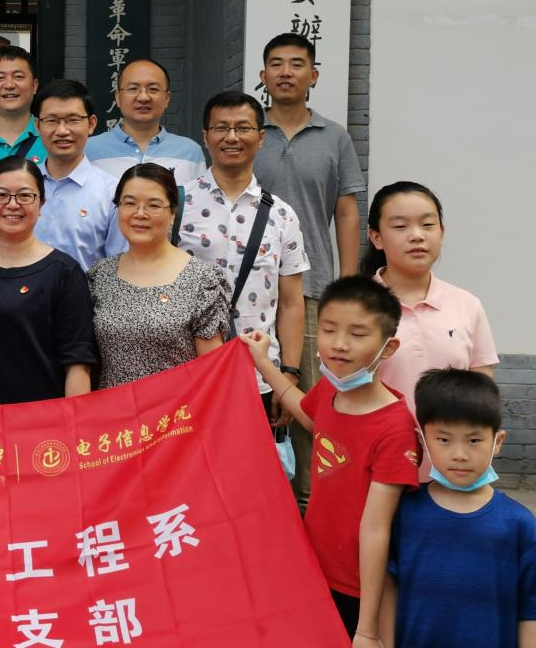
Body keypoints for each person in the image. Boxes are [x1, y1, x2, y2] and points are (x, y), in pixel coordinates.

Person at [242, 276, 419, 648]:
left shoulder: (394, 428)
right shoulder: (331, 389)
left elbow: (376, 529)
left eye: (357, 334)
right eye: (328, 329)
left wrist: (367, 630)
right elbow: (310, 418)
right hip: (313, 567)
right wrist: (263, 362)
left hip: (357, 587)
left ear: (388, 347)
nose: (339, 344)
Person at [254, 32, 367, 507]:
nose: (286, 72)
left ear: (313, 75)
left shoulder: (334, 137)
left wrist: (348, 282)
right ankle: (259, 506)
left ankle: (310, 503)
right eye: (276, 64)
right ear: (262, 76)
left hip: (313, 286)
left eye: (297, 64)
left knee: (309, 399)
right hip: (252, 289)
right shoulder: (247, 132)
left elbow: (346, 210)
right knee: (252, 398)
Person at [381, 369, 536, 648]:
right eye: (444, 439)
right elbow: (387, 587)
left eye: (474, 440)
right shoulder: (404, 512)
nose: (459, 454)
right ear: (422, 440)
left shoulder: (519, 525)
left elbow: (532, 613)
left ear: (498, 442)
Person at [178, 91, 308, 426]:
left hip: (260, 374)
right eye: (221, 128)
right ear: (206, 137)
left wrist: (289, 373)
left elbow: (292, 302)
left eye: (243, 128)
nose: (232, 137)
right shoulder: (177, 206)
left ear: (260, 138)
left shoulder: (282, 215)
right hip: (185, 374)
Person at [0, 156, 96, 403]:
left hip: (38, 416)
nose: (12, 204)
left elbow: (78, 362)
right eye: (0, 195)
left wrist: (74, 420)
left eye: (25, 195)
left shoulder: (63, 271)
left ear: (41, 204)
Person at [87, 163, 229, 388]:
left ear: (173, 213)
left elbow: (213, 371)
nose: (139, 214)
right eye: (129, 203)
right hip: (113, 408)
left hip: (178, 408)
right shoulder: (99, 275)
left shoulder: (203, 279)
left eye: (153, 205)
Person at [364, 181, 498, 415]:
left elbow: (482, 385)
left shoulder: (467, 305)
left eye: (427, 225)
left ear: (441, 232)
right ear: (376, 237)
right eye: (400, 226)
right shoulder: (354, 306)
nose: (417, 236)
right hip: (376, 437)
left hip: (447, 438)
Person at [0, 78, 125, 272]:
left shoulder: (112, 193)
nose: (62, 131)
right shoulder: (12, 188)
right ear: (37, 125)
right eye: (52, 121)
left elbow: (119, 266)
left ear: (91, 124)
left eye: (73, 120)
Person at [85, 58, 206, 183]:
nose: (143, 97)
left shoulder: (190, 152)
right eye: (133, 88)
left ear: (167, 98)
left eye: (153, 89)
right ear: (118, 97)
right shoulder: (88, 150)